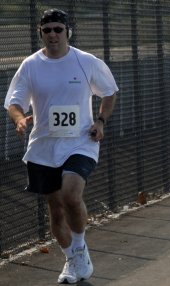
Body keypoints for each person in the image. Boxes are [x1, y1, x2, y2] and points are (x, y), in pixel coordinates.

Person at [3, 8, 118, 284]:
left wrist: (100, 121)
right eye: (47, 30)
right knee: (55, 208)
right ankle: (70, 258)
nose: (53, 34)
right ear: (40, 33)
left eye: (58, 29)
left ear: (68, 31)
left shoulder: (86, 62)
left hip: (80, 142)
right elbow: (14, 102)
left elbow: (110, 92)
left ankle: (79, 247)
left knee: (70, 194)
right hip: (43, 147)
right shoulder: (30, 65)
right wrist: (19, 120)